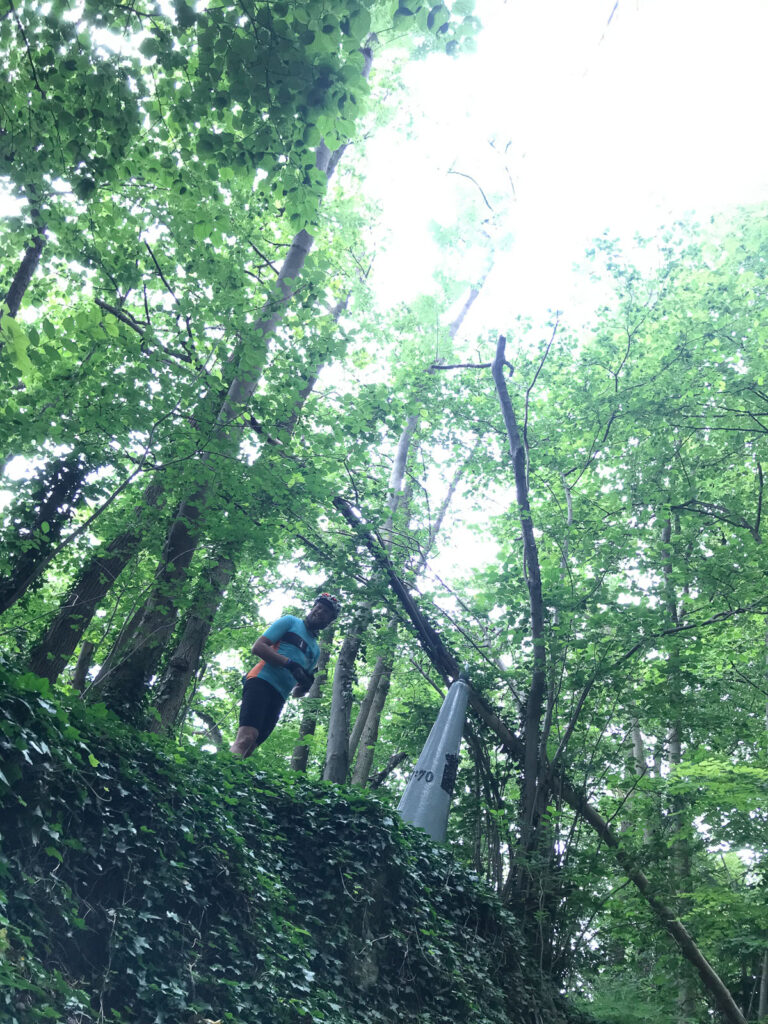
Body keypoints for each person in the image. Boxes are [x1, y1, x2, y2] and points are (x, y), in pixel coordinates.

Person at [229, 593, 341, 757]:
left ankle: (231, 770)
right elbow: (258, 647)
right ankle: (220, 768)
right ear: (312, 607)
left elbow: (296, 692)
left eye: (325, 612)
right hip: (262, 680)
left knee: (251, 746)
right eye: (318, 607)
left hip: (280, 695)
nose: (319, 612)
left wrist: (306, 685)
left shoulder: (315, 650)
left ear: (329, 621)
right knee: (246, 738)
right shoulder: (291, 622)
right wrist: (289, 663)